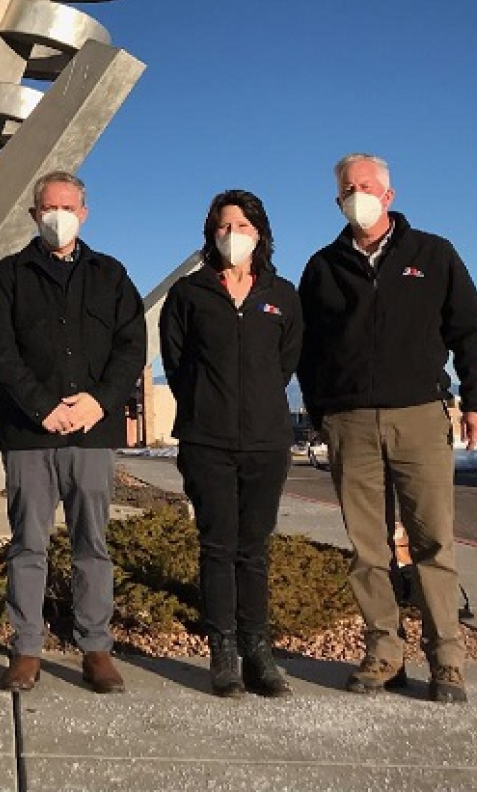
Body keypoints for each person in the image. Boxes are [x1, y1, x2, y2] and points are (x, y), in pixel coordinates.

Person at [297, 153, 477, 704]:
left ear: (387, 194)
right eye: (346, 187)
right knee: (367, 549)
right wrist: (323, 411)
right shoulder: (323, 266)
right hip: (350, 423)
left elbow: (470, 331)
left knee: (433, 541)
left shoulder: (433, 254)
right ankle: (384, 652)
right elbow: (307, 352)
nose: (355, 194)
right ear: (337, 198)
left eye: (365, 185)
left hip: (419, 418)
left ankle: (446, 660)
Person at [0, 170, 145, 694]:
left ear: (84, 213)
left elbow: (132, 347)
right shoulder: (8, 275)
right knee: (27, 545)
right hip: (31, 434)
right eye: (49, 208)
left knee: (92, 545)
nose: (58, 216)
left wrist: (98, 401)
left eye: (68, 207)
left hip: (91, 435)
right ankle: (26, 649)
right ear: (34, 215)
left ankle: (95, 648)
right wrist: (42, 406)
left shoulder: (111, 275)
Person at [160, 189, 303, 698]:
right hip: (207, 441)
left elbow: (284, 363)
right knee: (217, 546)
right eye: (224, 226)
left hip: (266, 442)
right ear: (211, 234)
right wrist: (207, 404)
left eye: (242, 226)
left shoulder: (281, 295)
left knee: (255, 549)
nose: (232, 234)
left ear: (259, 233)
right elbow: (176, 364)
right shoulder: (188, 295)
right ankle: (223, 652)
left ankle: (258, 650)